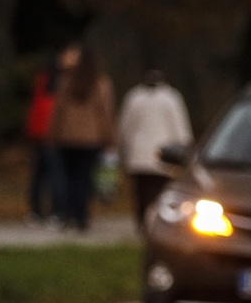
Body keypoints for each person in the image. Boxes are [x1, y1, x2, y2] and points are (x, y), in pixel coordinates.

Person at [48, 43, 115, 232]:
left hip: (67, 138)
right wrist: (109, 137)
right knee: (84, 179)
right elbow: (105, 114)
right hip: (90, 139)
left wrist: (53, 135)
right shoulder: (101, 84)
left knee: (69, 178)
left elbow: (57, 112)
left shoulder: (66, 82)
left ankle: (68, 214)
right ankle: (81, 216)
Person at [116, 68, 193, 229]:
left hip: (139, 155)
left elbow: (124, 127)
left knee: (142, 192)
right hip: (164, 156)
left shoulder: (134, 97)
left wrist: (122, 149)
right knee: (159, 192)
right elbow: (180, 129)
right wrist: (185, 150)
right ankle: (156, 224)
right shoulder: (171, 98)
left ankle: (142, 224)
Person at [22, 44, 73, 227]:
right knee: (56, 173)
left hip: (39, 130)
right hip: (52, 132)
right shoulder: (62, 80)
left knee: (39, 173)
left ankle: (37, 211)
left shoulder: (44, 77)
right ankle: (57, 211)